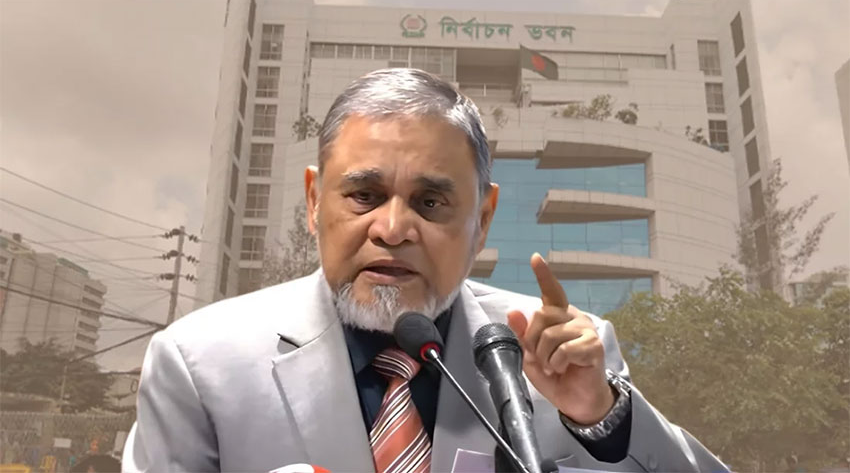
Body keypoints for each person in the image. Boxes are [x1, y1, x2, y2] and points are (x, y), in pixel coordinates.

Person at [122, 68, 728, 473]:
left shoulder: (567, 357)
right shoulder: (199, 365)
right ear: (313, 202)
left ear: (482, 219)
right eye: (363, 195)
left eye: (431, 202)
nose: (392, 228)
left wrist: (602, 418)